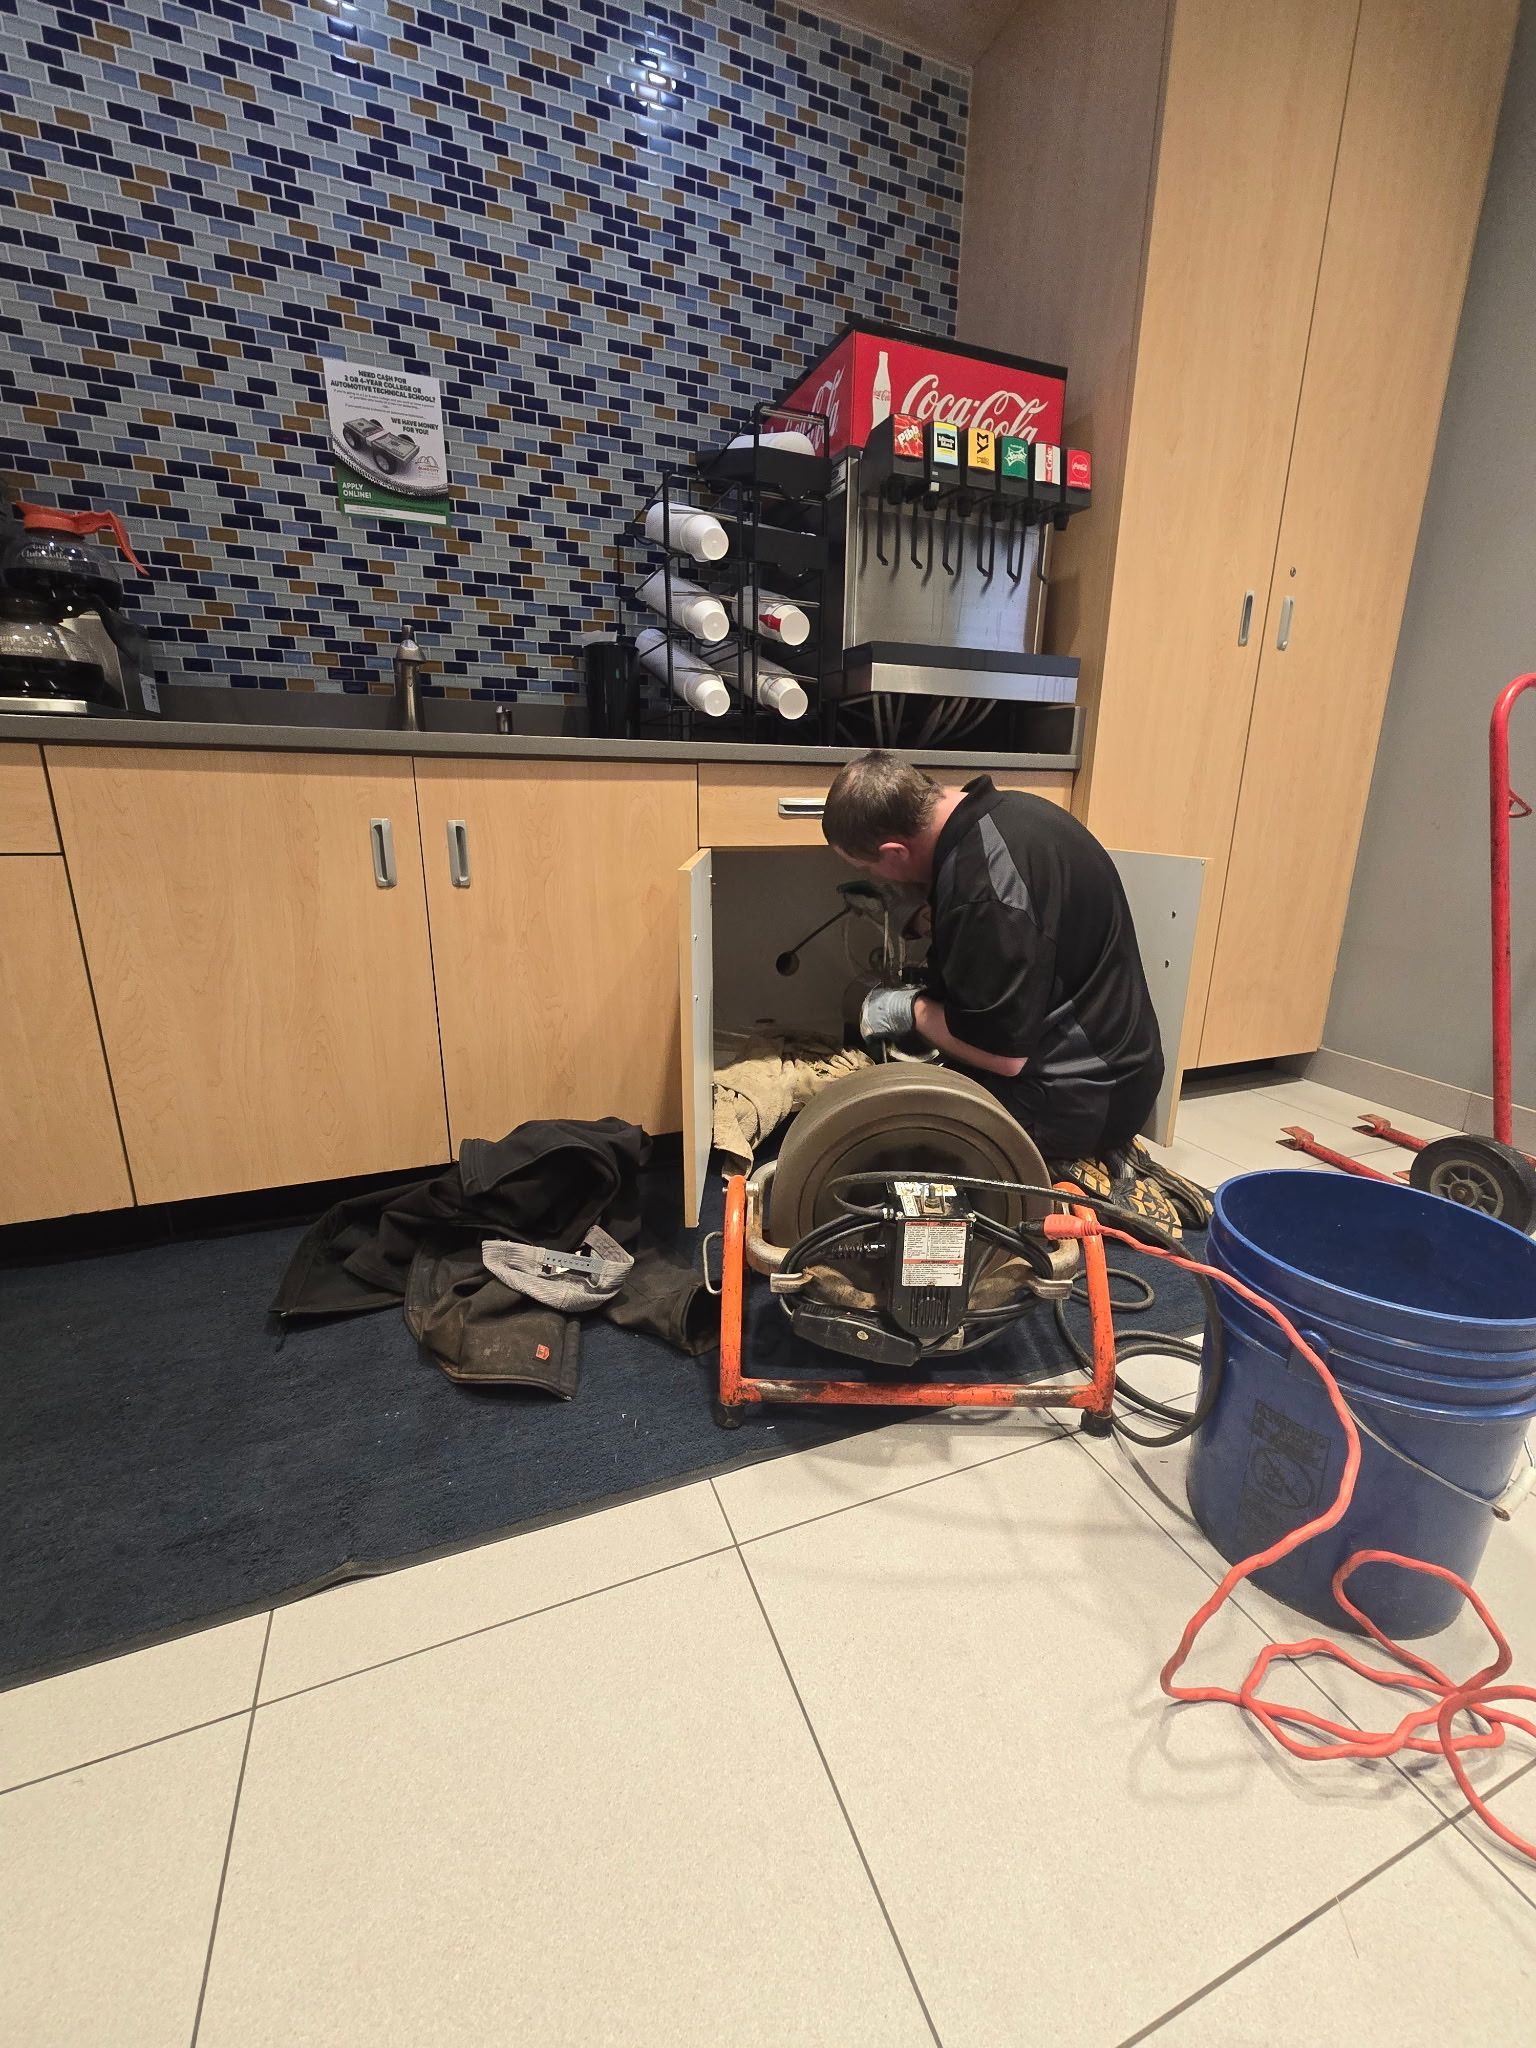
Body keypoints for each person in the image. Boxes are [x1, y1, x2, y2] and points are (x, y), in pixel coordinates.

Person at [820, 750, 1166, 1172]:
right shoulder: (1009, 813)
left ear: (894, 852)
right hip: (1119, 1066)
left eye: (871, 868)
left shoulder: (983, 895)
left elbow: (1002, 1056)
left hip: (1080, 1097)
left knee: (893, 1130)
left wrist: (908, 1009)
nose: (878, 878)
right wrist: (935, 911)